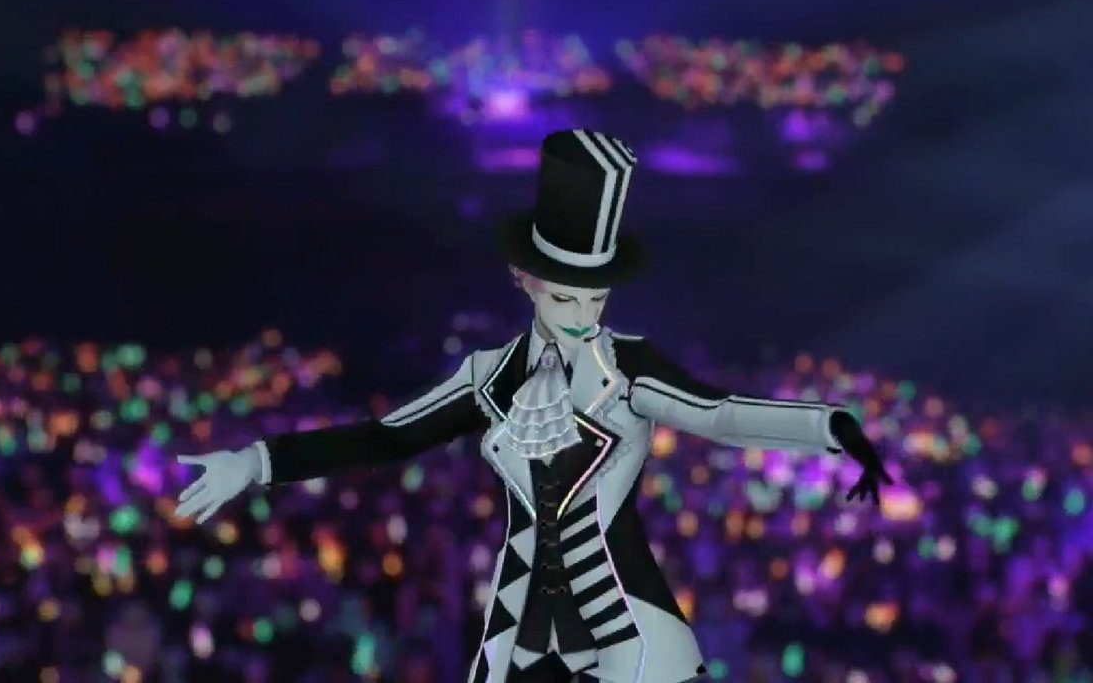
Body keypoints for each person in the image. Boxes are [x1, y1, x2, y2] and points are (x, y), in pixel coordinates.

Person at [173, 129, 894, 682]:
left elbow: (721, 413)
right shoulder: (487, 378)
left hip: (628, 634)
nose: (583, 318)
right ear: (524, 278)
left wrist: (833, 427)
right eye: (565, 297)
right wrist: (257, 462)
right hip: (520, 630)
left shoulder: (630, 370)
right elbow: (387, 438)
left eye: (596, 298)